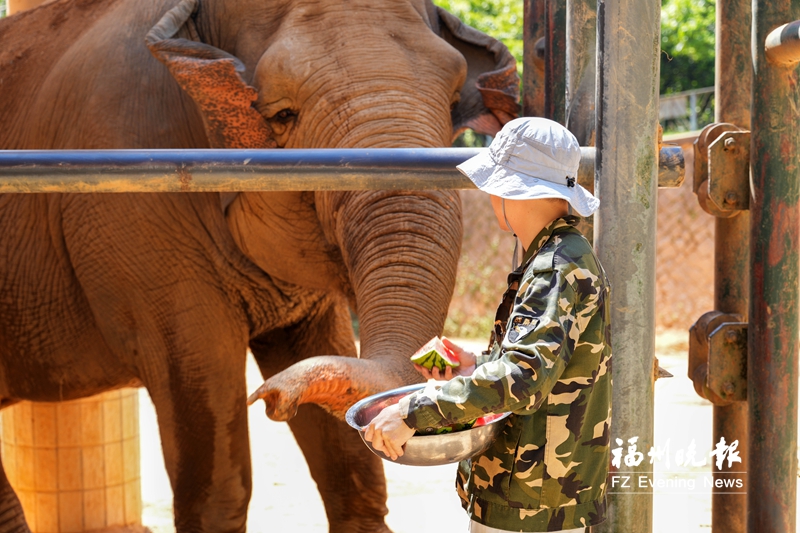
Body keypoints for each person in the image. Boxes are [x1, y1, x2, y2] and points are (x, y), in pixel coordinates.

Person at [364, 117, 612, 533]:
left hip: (531, 504)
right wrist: (475, 364)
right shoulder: (556, 256)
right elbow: (542, 362)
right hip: (538, 493)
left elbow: (523, 377)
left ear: (514, 189)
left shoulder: (556, 267)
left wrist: (413, 411)